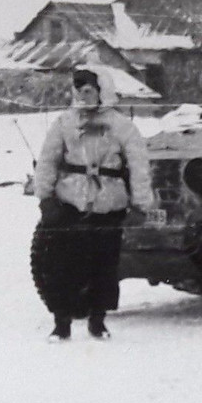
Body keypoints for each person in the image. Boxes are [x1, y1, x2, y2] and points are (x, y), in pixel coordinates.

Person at [34, 67, 153, 341]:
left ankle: (98, 321)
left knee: (104, 265)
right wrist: (45, 197)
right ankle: (61, 322)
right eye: (78, 91)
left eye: (88, 90)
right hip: (69, 203)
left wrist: (140, 204)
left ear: (102, 91)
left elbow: (139, 167)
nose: (83, 96)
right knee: (62, 265)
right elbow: (47, 160)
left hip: (108, 205)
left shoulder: (122, 126)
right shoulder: (64, 123)